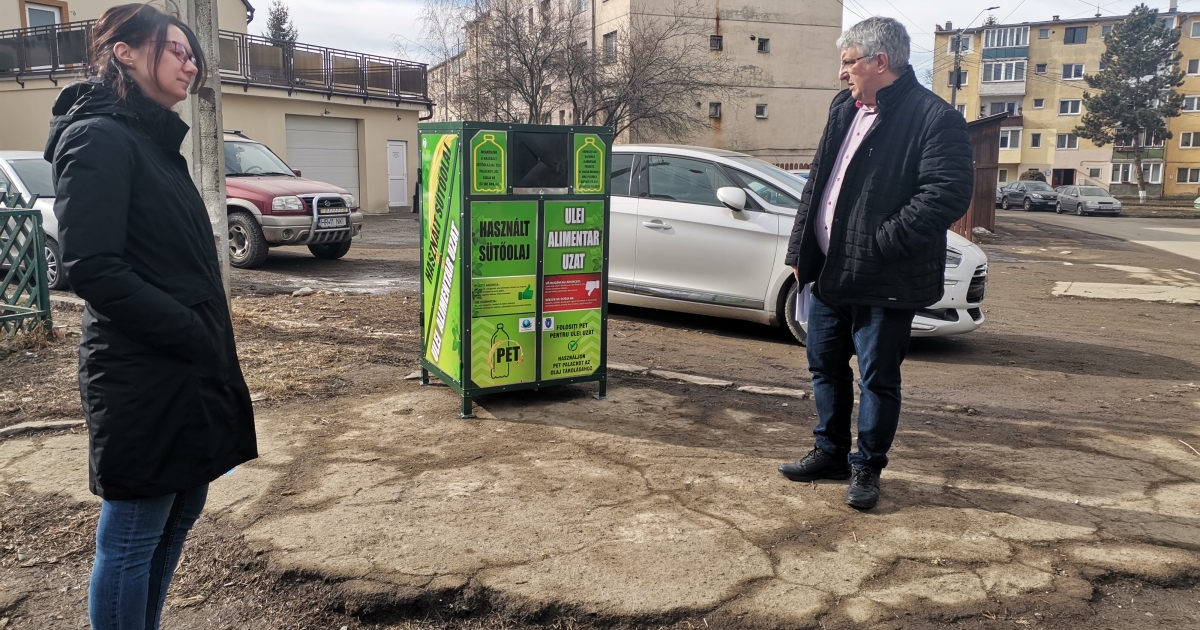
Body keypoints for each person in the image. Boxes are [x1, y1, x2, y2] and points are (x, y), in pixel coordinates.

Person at [44, 5, 257, 628]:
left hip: (183, 364)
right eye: (177, 50)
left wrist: (201, 336)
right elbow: (92, 266)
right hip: (140, 369)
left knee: (184, 505)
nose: (191, 63)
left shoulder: (154, 143)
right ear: (126, 53)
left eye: (194, 54)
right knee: (134, 532)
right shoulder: (99, 138)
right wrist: (189, 329)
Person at [777, 17, 973, 510]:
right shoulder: (842, 108)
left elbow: (946, 194)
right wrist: (800, 252)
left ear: (879, 62)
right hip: (828, 272)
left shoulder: (934, 117)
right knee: (823, 365)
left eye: (848, 63)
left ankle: (867, 467)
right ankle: (830, 452)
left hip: (885, 276)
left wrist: (882, 241)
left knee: (878, 378)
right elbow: (818, 183)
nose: (842, 74)